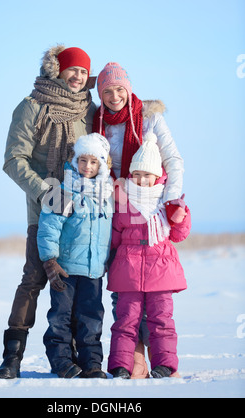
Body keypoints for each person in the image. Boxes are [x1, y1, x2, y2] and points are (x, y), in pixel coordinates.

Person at [0, 45, 97, 379]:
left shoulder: (89, 110)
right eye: (73, 69)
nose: (78, 76)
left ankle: (73, 360)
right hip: (44, 213)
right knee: (34, 279)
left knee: (77, 287)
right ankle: (12, 357)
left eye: (84, 71)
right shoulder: (32, 107)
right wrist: (46, 193)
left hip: (81, 218)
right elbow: (13, 160)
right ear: (57, 70)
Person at [93, 62, 185, 378]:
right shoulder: (98, 122)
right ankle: (133, 359)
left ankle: (161, 362)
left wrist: (170, 201)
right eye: (107, 90)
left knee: (157, 309)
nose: (115, 95)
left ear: (129, 90)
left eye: (120, 89)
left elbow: (173, 161)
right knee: (126, 301)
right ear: (100, 94)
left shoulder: (149, 119)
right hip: (116, 208)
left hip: (150, 203)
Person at [107, 133, 191, 379]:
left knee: (162, 320)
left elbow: (178, 235)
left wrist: (181, 217)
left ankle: (165, 365)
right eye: (138, 174)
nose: (142, 180)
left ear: (158, 176)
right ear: (131, 175)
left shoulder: (167, 202)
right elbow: (114, 235)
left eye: (147, 175)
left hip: (161, 270)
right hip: (128, 272)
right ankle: (122, 366)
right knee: (125, 320)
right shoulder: (124, 202)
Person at [37, 133, 113, 379]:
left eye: (93, 162)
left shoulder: (107, 197)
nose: (87, 166)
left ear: (102, 165)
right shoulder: (62, 189)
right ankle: (61, 361)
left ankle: (91, 363)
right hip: (65, 269)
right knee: (60, 317)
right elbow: (48, 226)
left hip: (93, 271)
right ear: (74, 160)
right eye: (83, 160)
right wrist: (50, 260)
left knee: (91, 318)